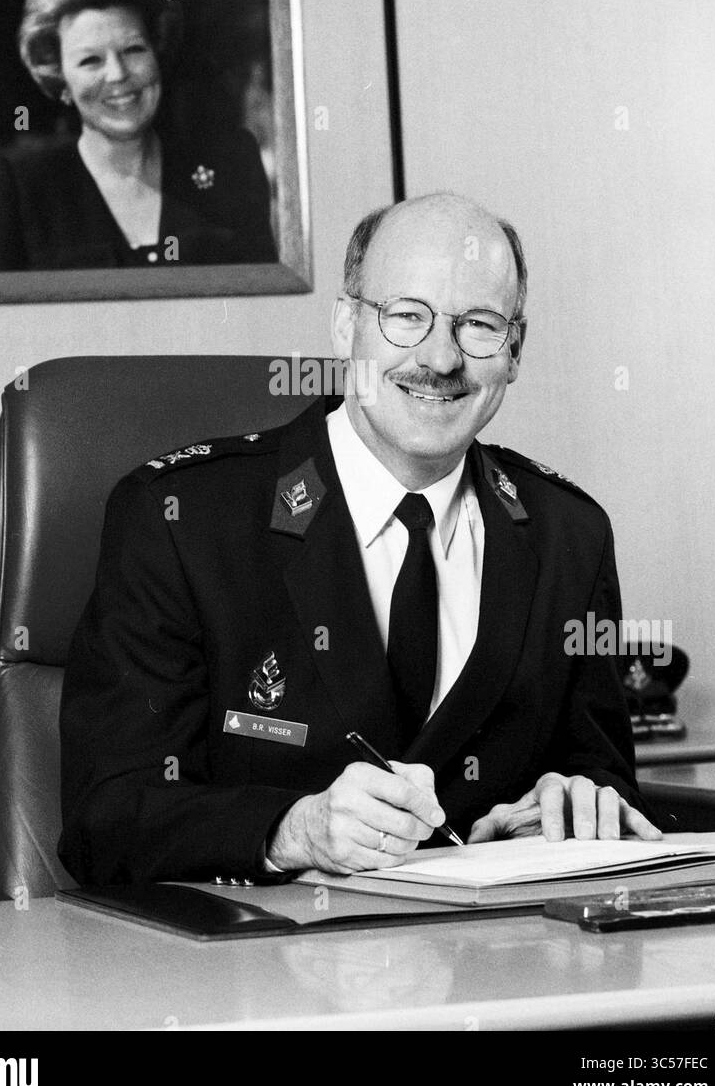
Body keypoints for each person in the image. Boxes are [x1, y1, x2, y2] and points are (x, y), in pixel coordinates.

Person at [59, 193, 660, 885]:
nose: (439, 358)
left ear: (514, 352)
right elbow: (104, 820)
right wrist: (292, 832)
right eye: (406, 317)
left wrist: (571, 806)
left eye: (480, 326)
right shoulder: (180, 520)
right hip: (256, 971)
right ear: (347, 326)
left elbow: (602, 775)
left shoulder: (568, 536)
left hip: (500, 964)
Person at [0, 0, 276, 271]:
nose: (117, 74)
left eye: (133, 50)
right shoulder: (18, 188)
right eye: (90, 60)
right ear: (59, 78)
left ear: (157, 54)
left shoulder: (230, 165)